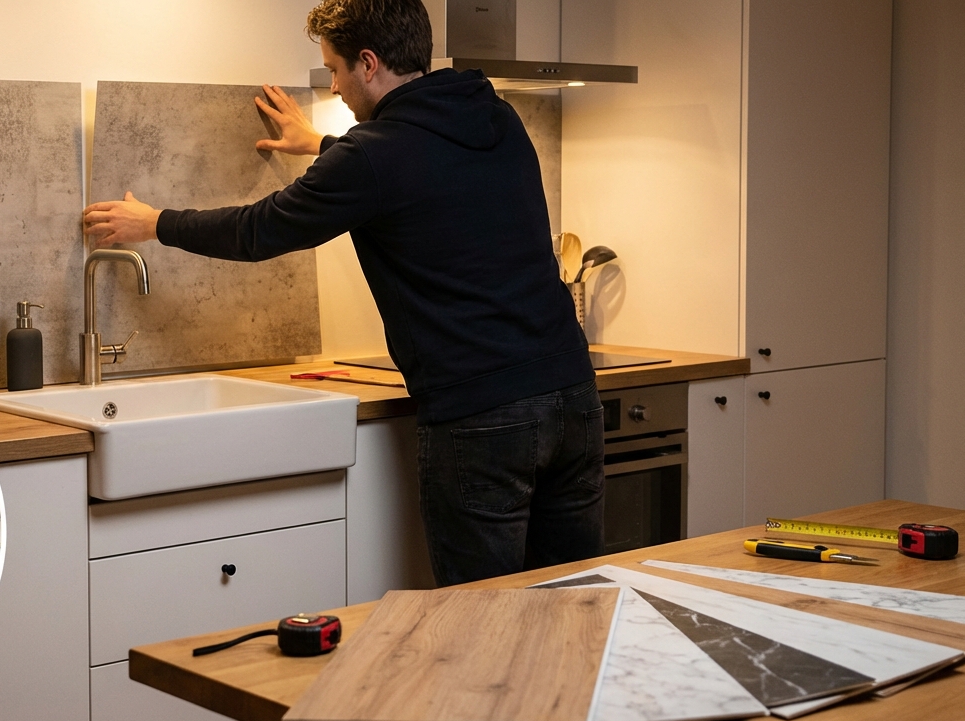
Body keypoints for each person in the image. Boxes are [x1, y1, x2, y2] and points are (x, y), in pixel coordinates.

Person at [82, 0, 603, 587]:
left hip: (482, 415)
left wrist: (156, 222)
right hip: (572, 396)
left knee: (482, 618)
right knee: (573, 602)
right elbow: (409, 168)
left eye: (333, 69)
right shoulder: (495, 116)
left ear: (369, 63)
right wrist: (322, 145)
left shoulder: (373, 154)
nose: (333, 84)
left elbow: (259, 230)